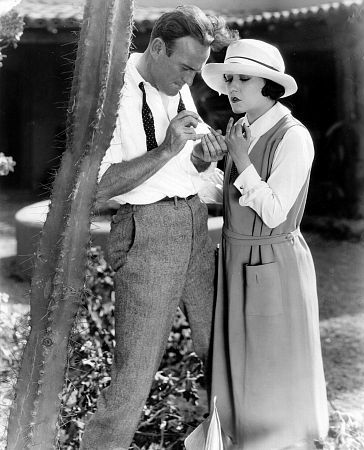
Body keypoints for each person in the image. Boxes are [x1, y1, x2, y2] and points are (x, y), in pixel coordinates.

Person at [80, 6, 236, 450]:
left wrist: (203, 157)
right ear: (156, 47)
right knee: (133, 378)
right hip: (147, 233)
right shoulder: (112, 96)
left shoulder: (180, 87)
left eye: (197, 70)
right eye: (185, 68)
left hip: (194, 224)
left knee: (221, 354)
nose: (190, 81)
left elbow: (190, 171)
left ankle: (225, 443)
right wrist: (169, 147)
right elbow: (99, 188)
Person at [195, 39, 330, 449]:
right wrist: (207, 162)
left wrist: (242, 157)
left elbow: (272, 211)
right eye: (229, 79)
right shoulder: (242, 128)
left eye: (243, 79)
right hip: (237, 257)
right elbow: (232, 199)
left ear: (269, 84)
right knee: (242, 367)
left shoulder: (294, 137)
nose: (231, 87)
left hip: (271, 261)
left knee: (271, 369)